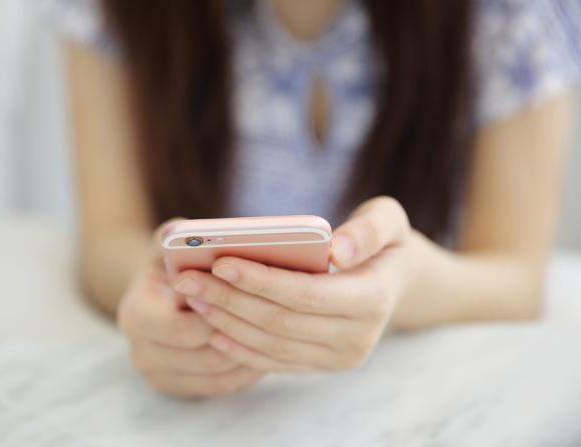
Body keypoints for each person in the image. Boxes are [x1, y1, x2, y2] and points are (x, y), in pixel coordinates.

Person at [46, 0, 581, 398]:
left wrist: (409, 284)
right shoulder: (114, 11)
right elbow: (110, 238)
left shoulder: (512, 15)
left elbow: (517, 279)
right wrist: (160, 284)